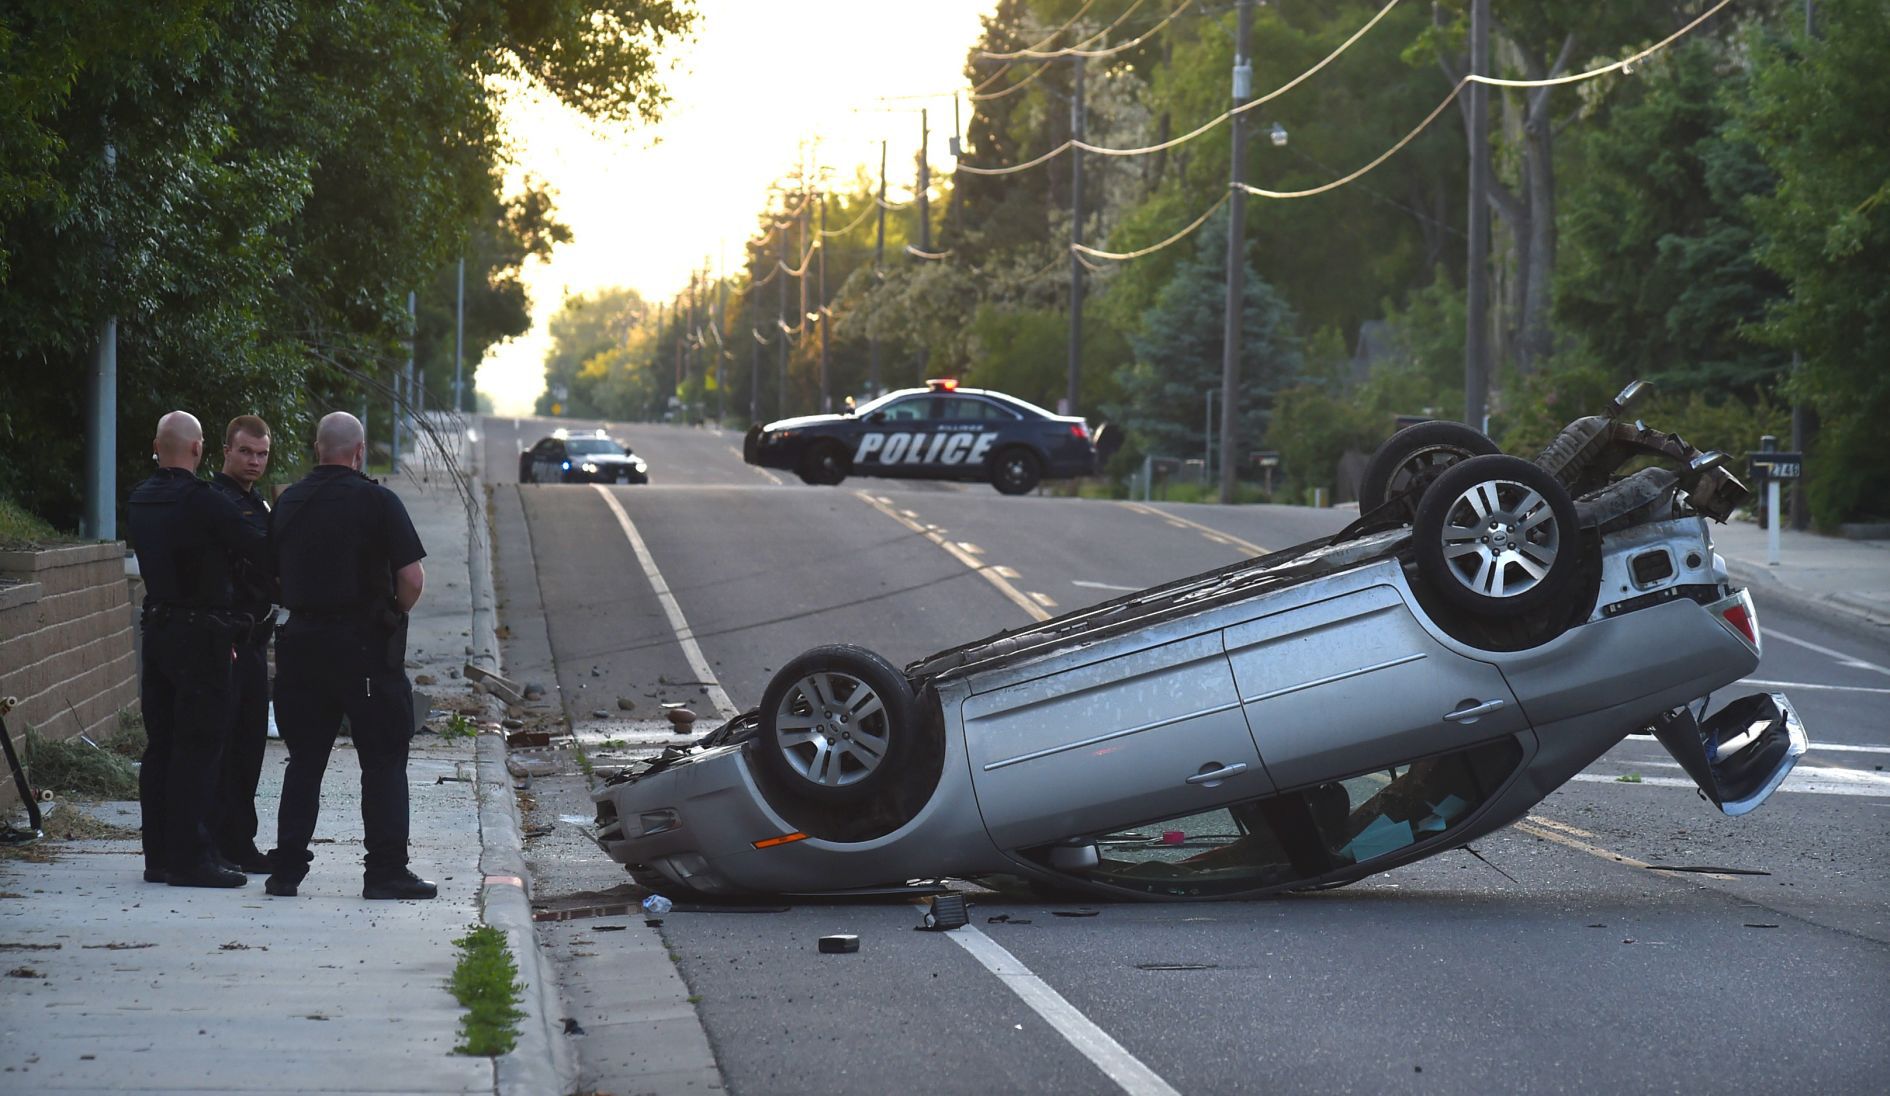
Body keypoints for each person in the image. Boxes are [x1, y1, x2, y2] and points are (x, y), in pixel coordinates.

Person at [266, 412, 435, 900]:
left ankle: (286, 871)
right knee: (382, 761)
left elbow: (272, 575)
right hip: (363, 648)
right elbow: (412, 579)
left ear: (318, 449)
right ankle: (385, 871)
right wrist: (392, 614)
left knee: (304, 761)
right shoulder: (379, 501)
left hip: (300, 647)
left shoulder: (288, 502)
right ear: (359, 452)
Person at [127, 411, 265, 888]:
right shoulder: (202, 501)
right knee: (199, 748)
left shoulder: (141, 498)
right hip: (202, 636)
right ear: (200, 449)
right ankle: (192, 857)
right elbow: (259, 547)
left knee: (161, 746)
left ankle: (159, 855)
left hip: (158, 630)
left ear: (156, 445)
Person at [206, 415, 276, 873]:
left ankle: (241, 843)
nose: (254, 461)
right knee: (224, 747)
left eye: (262, 454)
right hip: (226, 638)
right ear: (225, 451)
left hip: (255, 638)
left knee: (250, 744)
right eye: (246, 451)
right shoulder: (214, 502)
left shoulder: (261, 505)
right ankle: (218, 844)